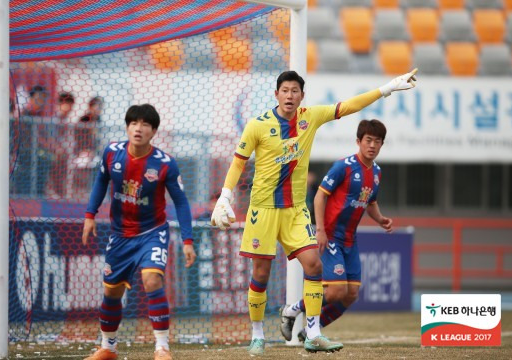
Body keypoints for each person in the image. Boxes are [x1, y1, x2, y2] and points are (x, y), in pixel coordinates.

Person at [210, 69, 417, 355]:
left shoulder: (310, 117)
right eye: (285, 90)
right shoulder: (257, 126)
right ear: (276, 94)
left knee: (314, 266)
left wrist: (387, 88)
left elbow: (348, 106)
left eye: (295, 91)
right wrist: (225, 196)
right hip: (264, 210)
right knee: (260, 272)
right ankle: (257, 334)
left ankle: (313, 333)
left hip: (296, 211)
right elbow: (238, 162)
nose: (290, 95)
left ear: (302, 96)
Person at [82, 104, 197, 360]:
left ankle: (162, 348)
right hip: (120, 235)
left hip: (152, 233)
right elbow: (101, 181)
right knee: (111, 292)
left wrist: (188, 240)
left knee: (152, 280)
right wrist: (90, 215)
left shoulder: (165, 163)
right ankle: (108, 348)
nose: (138, 128)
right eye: (134, 123)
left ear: (153, 131)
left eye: (145, 124)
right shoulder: (112, 153)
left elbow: (180, 202)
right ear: (127, 126)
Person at [280, 119, 393, 343]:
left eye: (377, 142)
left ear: (381, 145)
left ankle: (310, 330)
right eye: (368, 140)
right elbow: (320, 195)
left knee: (350, 296)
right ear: (358, 141)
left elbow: (370, 202)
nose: (372, 145)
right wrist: (320, 229)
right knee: (335, 292)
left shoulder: (377, 173)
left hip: (350, 240)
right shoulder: (344, 166)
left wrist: (380, 219)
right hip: (330, 235)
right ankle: (291, 310)